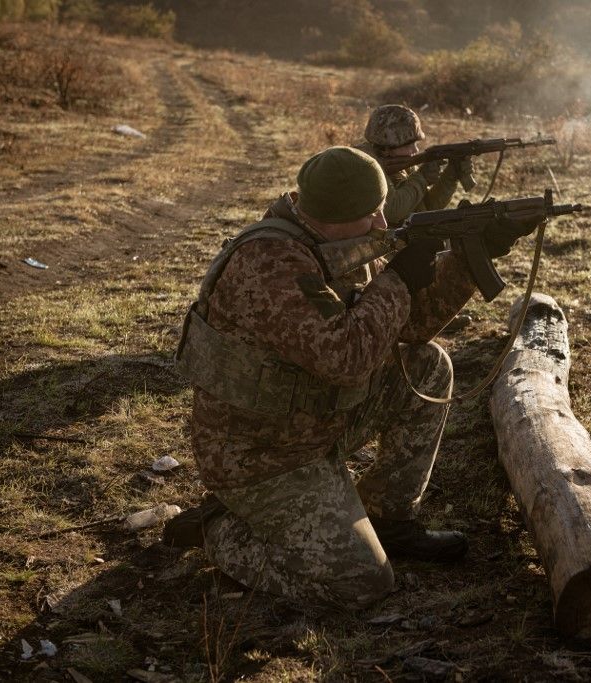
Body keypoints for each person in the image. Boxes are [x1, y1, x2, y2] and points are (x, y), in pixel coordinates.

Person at [166, 146, 536, 609]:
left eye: (381, 208)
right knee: (361, 583)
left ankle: (389, 517)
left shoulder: (336, 243)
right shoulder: (268, 264)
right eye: (371, 213)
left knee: (426, 364)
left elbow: (408, 326)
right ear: (331, 217)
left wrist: (469, 256)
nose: (383, 223)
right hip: (261, 457)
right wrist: (398, 278)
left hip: (316, 422)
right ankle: (220, 529)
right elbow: (345, 357)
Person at [359, 104, 473, 225]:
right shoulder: (365, 165)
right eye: (409, 145)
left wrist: (450, 176)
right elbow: (392, 211)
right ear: (386, 147)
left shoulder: (402, 164)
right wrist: (422, 178)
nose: (416, 150)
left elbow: (425, 209)